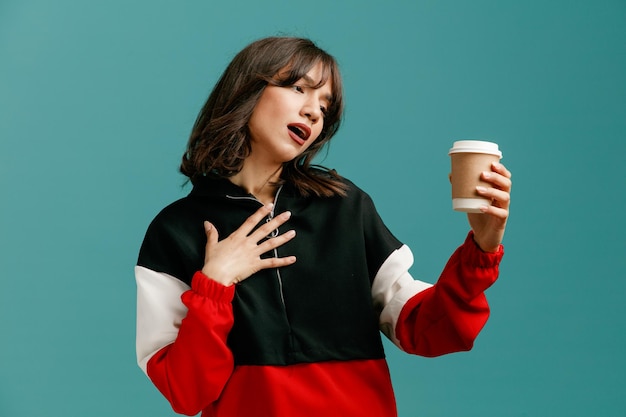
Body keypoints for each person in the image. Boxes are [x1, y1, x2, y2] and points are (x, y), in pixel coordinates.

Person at [135, 36, 512, 417]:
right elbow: (185, 392)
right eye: (299, 88)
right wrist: (214, 284)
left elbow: (428, 328)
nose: (314, 112)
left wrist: (481, 249)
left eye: (324, 106)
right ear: (246, 89)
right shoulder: (175, 231)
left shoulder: (345, 207)